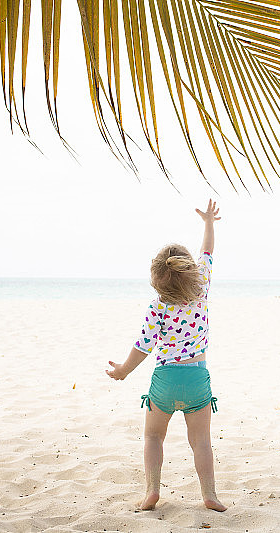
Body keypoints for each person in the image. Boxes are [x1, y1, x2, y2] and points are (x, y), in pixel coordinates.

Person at [105, 199, 226, 512]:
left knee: (154, 437)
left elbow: (143, 345)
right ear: (190, 272)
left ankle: (151, 492)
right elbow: (208, 252)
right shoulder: (202, 289)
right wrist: (209, 222)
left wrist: (123, 370)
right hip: (198, 377)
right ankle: (210, 495)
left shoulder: (157, 307)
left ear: (157, 280)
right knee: (200, 441)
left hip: (165, 380)